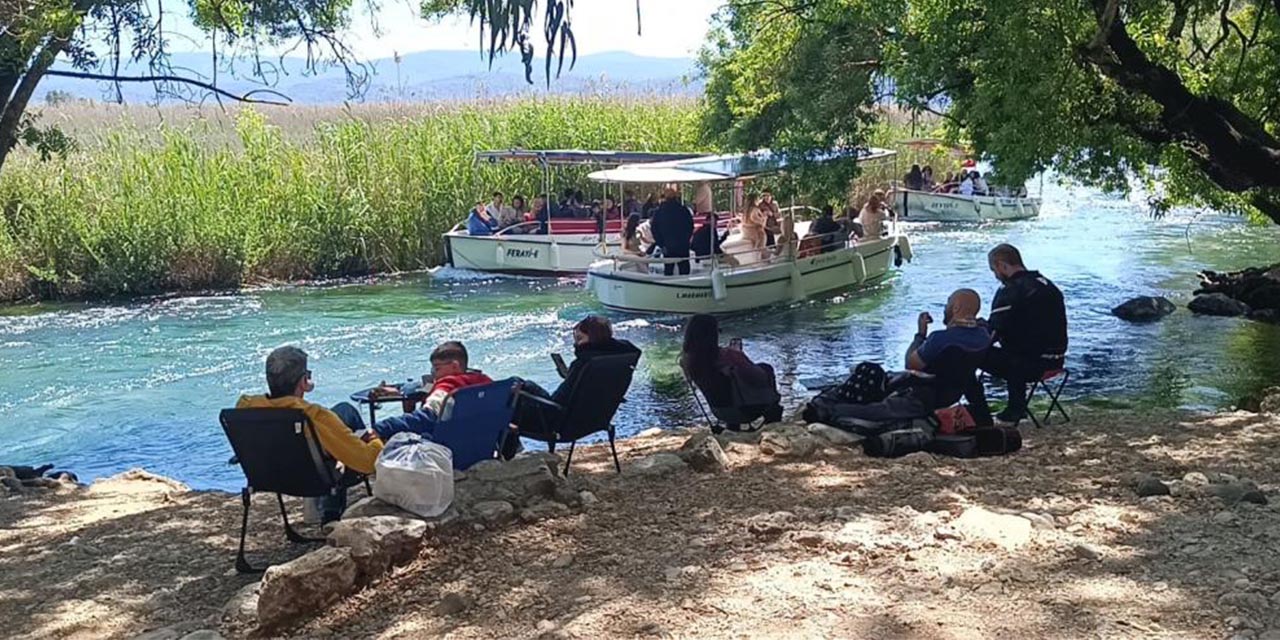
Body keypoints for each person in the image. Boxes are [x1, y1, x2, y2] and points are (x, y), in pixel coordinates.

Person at [237, 346, 383, 522]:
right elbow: (367, 463)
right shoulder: (314, 417)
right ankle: (330, 515)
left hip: (267, 477)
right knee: (346, 415)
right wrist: (375, 439)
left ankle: (327, 512)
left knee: (343, 411)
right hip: (315, 479)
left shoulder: (245, 407)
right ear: (303, 381)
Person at [814, 290, 993, 425]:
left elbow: (911, 364)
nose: (945, 308)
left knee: (868, 399)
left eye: (948, 304)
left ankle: (827, 408)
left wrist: (920, 334)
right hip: (948, 395)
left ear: (956, 308)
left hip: (919, 395)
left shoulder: (940, 339)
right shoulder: (983, 336)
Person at [982, 244, 1068, 424]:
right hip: (1056, 359)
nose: (996, 276)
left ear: (1001, 265)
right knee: (1019, 346)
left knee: (970, 354)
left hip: (1027, 365)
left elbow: (994, 332)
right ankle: (1017, 406)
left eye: (994, 270)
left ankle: (979, 410)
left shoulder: (1010, 291)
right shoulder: (1046, 284)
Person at [513, 316, 642, 434]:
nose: (576, 344)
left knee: (515, 385)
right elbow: (590, 390)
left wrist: (526, 387)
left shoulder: (584, 363)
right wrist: (570, 377)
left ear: (595, 337)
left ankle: (507, 449)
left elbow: (557, 401)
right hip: (596, 420)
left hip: (559, 425)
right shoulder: (617, 361)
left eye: (579, 338)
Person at [680, 314, 783, 430]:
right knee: (766, 368)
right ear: (713, 334)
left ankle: (733, 427)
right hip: (746, 411)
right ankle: (772, 415)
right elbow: (759, 377)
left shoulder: (686, 361)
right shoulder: (728, 355)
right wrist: (740, 357)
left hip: (719, 412)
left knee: (726, 388)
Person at [649, 186, 694, 276]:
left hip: (667, 246)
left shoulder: (659, 212)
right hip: (682, 246)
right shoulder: (683, 210)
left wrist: (661, 244)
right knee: (684, 270)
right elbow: (690, 226)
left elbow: (654, 229)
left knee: (668, 270)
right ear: (676, 197)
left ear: (665, 197)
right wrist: (686, 240)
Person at [737, 192, 768, 259]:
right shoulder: (754, 210)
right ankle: (761, 256)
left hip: (746, 232)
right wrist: (764, 217)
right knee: (763, 236)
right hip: (754, 233)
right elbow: (761, 223)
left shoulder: (745, 210)